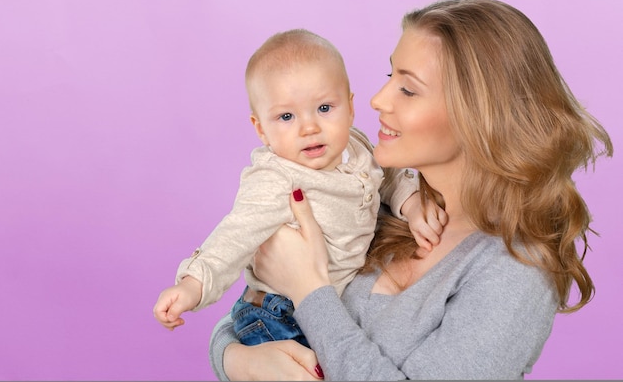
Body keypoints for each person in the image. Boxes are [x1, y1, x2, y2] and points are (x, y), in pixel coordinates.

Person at [208, 0, 614, 380]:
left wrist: (309, 290)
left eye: (407, 88)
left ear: (476, 116)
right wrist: (236, 360)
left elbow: (305, 300)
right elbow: (255, 316)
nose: (377, 99)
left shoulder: (515, 270)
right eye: (390, 75)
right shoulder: (381, 202)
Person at [152, 29, 444, 348]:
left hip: (326, 306)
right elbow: (234, 235)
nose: (309, 128)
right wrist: (193, 285)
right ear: (261, 129)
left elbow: (386, 175)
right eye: (286, 116)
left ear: (350, 107)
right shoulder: (276, 177)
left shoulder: (356, 145)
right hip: (278, 314)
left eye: (324, 108)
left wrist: (412, 204)